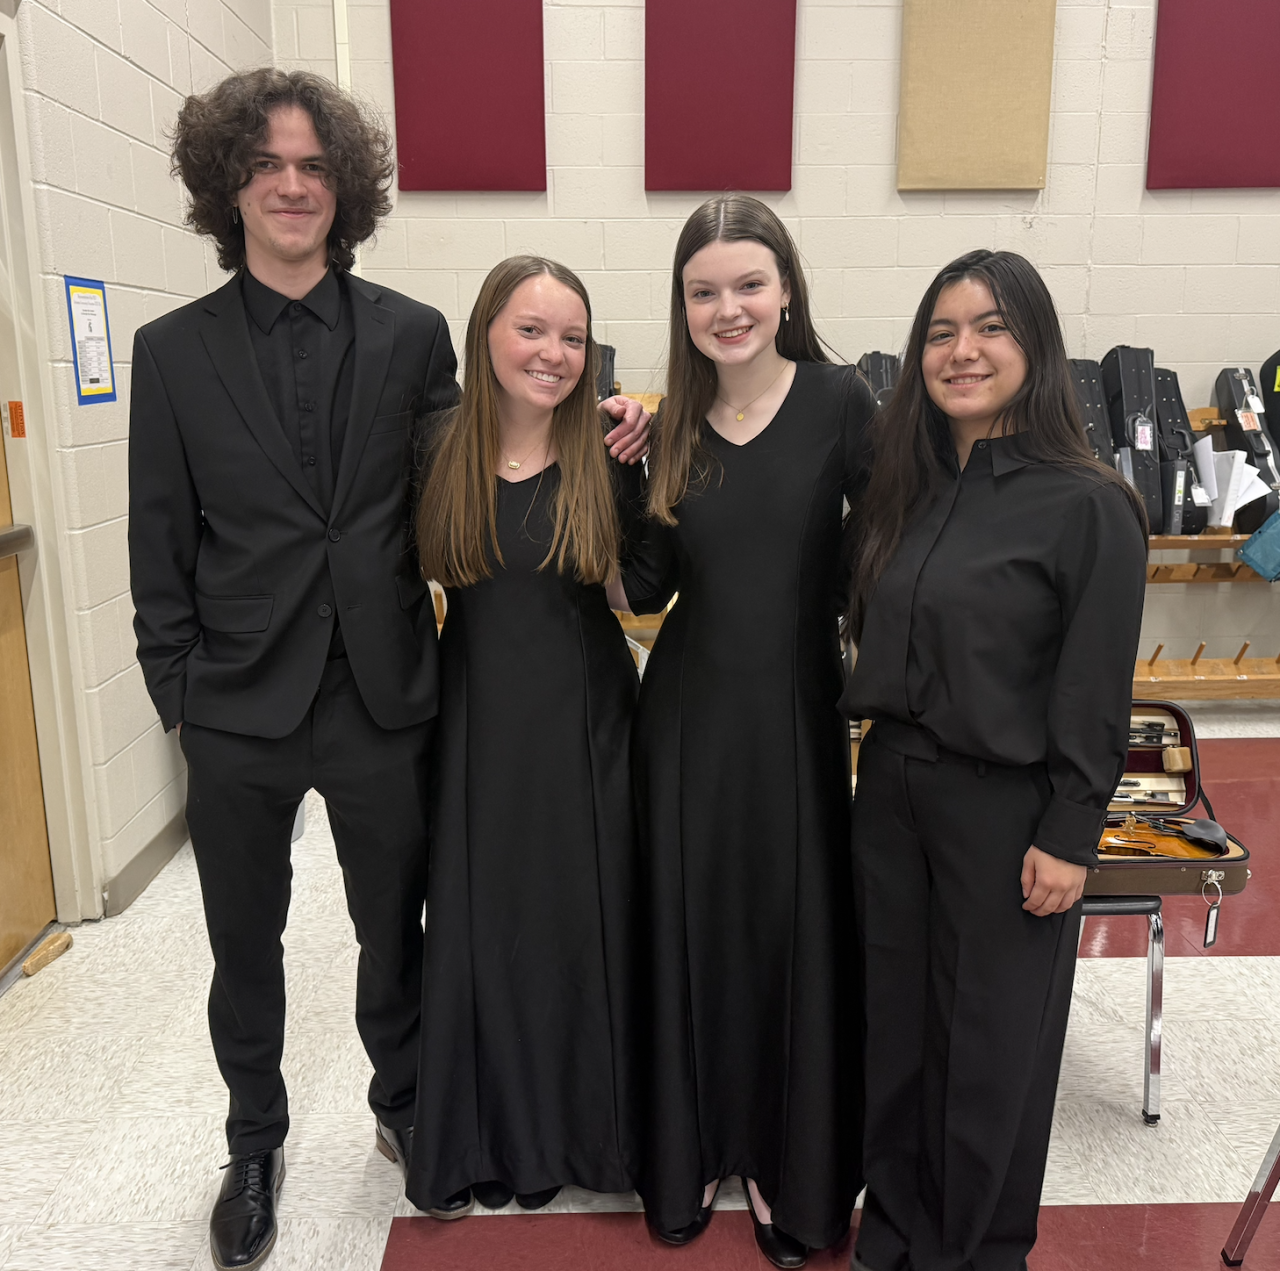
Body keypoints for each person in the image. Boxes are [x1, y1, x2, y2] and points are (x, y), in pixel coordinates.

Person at [128, 70, 648, 1271]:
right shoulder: (171, 352)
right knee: (243, 945)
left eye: (315, 165)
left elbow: (490, 453)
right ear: (228, 183)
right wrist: (180, 698)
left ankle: (406, 1097)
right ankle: (252, 1142)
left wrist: (613, 426)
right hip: (238, 708)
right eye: (268, 164)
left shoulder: (413, 335)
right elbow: (157, 542)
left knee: (393, 928)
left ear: (345, 187)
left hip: (384, 695)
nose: (292, 184)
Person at [840, 249, 1147, 1271]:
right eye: (941, 333)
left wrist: (1070, 830)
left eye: (989, 327)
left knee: (987, 1047)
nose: (961, 351)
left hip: (1003, 808)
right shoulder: (905, 488)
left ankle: (973, 1249)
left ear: (1035, 344)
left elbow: (1092, 685)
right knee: (894, 1030)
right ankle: (892, 1235)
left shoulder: (1087, 503)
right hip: (891, 792)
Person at [620, 194, 875, 1269]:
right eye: (703, 291)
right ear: (681, 305)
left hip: (798, 719)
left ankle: (783, 1156)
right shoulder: (670, 424)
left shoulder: (841, 402)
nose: (727, 309)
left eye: (748, 285)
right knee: (694, 932)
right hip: (686, 721)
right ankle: (694, 1146)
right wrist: (615, 473)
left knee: (787, 938)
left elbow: (887, 550)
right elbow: (645, 587)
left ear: (785, 291)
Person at [406, 256, 645, 1220]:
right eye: (532, 329)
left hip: (586, 723)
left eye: (573, 337)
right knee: (490, 927)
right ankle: (502, 1135)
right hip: (478, 720)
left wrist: (649, 461)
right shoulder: (436, 447)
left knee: (579, 926)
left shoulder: (607, 453)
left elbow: (638, 591)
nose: (553, 353)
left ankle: (586, 1131)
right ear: (486, 334)